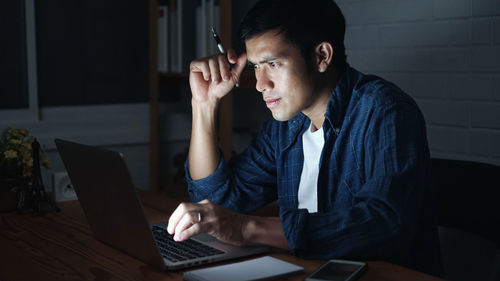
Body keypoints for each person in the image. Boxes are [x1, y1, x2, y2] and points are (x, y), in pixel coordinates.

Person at [167, 0, 444, 277]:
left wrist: (248, 228)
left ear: (321, 56)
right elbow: (215, 203)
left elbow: (383, 225)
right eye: (255, 66)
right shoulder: (288, 127)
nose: (261, 84)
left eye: (273, 64)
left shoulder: (385, 110)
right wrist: (203, 105)